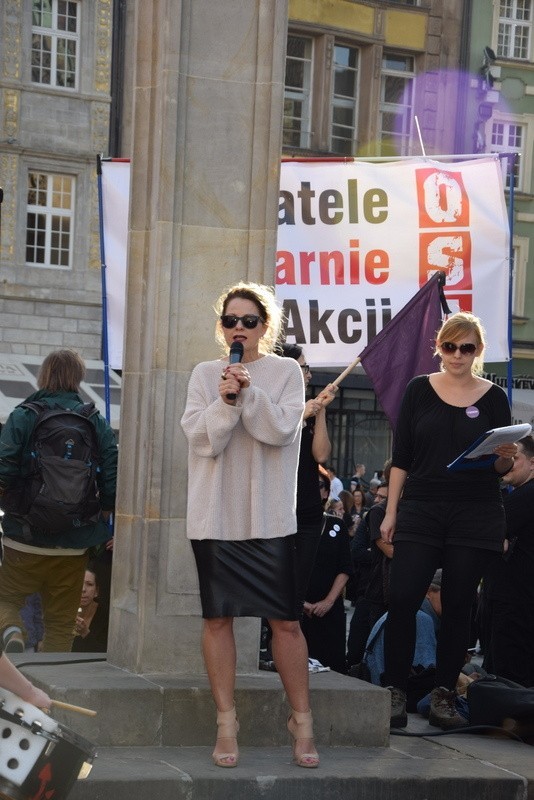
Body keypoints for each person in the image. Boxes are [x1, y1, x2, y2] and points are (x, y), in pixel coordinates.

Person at [181, 281, 319, 769]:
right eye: (231, 321)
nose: (239, 328)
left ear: (266, 326)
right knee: (217, 619)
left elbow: (282, 431)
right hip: (215, 517)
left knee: (285, 621)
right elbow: (203, 441)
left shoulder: (285, 372)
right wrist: (226, 402)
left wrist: (250, 392)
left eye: (250, 321)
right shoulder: (203, 374)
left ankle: (301, 722)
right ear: (222, 327)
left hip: (268, 518)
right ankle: (226, 722)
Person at [380, 312, 516, 730]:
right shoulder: (419, 389)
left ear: (479, 351)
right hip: (422, 506)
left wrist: (504, 460)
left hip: (474, 511)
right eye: (450, 346)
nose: (458, 355)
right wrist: (391, 511)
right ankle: (394, 691)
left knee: (458, 604)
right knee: (402, 598)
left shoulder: (494, 397)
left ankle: (443, 695)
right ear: (438, 347)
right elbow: (401, 456)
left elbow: (498, 469)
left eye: (468, 347)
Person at [0, 349, 118, 652]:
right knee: (61, 623)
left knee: (6, 601)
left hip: (23, 539)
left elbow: (4, 467)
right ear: (78, 378)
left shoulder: (24, 415)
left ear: (43, 375)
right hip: (74, 542)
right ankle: (52, 693)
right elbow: (112, 475)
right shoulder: (95, 421)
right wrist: (105, 514)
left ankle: (12, 631)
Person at [279, 342, 336, 606]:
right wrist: (301, 414)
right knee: (275, 593)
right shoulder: (271, 407)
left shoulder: (313, 410)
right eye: (304, 368)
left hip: (308, 514)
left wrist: (320, 412)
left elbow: (322, 455)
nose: (309, 374)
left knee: (296, 595)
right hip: (277, 514)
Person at [482, 435, 534, 686]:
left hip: (515, 602)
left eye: (515, 458)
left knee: (508, 679)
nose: (509, 464)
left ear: (532, 463)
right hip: (510, 599)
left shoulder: (527, 494)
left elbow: (490, 529)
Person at [301, 504, 354, 674]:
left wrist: (328, 601)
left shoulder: (337, 527)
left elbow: (345, 568)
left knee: (332, 666)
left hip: (329, 612)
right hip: (295, 611)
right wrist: (299, 602)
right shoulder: (287, 525)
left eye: (320, 486)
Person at [72, 561, 110, 653]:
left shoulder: (106, 615)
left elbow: (105, 654)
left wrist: (85, 633)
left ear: (96, 591)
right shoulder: (62, 611)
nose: (83, 590)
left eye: (89, 584)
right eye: (79, 583)